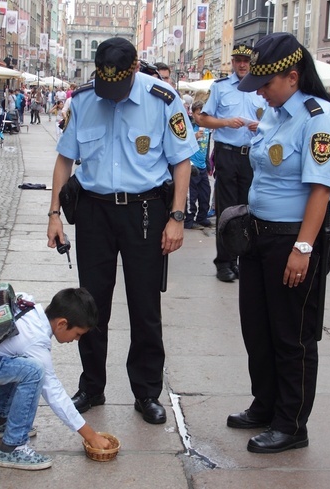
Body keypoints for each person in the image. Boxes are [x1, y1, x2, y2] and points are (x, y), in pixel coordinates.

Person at [46, 37, 197, 425]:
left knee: (145, 306)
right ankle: (92, 387)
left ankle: (146, 392)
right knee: (90, 304)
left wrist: (176, 217)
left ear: (134, 70)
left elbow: (182, 161)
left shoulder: (163, 99)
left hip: (145, 211)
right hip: (95, 212)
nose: (111, 95)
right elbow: (64, 159)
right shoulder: (82, 101)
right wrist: (53, 214)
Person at [226, 32, 330, 454]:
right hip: (258, 235)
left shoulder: (318, 118)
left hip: (293, 239)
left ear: (292, 77)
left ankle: (292, 423)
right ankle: (266, 404)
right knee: (257, 329)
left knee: (291, 335)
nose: (260, 92)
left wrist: (304, 248)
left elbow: (320, 190)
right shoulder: (273, 113)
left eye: (266, 85)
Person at [0, 287, 112, 471]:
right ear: (62, 324)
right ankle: (13, 447)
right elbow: (55, 394)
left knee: (22, 363)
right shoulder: (34, 340)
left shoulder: (28, 303)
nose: (77, 339)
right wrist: (90, 435)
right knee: (33, 371)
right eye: (78, 334)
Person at [198, 43, 266, 283]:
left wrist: (263, 126)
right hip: (228, 153)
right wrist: (226, 122)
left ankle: (242, 259)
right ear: (233, 62)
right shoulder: (221, 87)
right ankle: (224, 262)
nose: (242, 64)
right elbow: (203, 119)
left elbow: (275, 120)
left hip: (254, 155)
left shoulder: (262, 86)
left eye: (246, 61)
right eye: (238, 60)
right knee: (227, 210)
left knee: (251, 209)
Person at [185, 100, 212, 229]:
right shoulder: (189, 127)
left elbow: (206, 147)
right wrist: (194, 136)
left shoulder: (207, 129)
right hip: (192, 166)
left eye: (203, 114)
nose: (201, 116)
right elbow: (183, 143)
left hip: (202, 166)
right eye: (198, 113)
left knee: (205, 192)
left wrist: (208, 163)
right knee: (191, 195)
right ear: (193, 114)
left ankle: (202, 217)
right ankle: (189, 219)